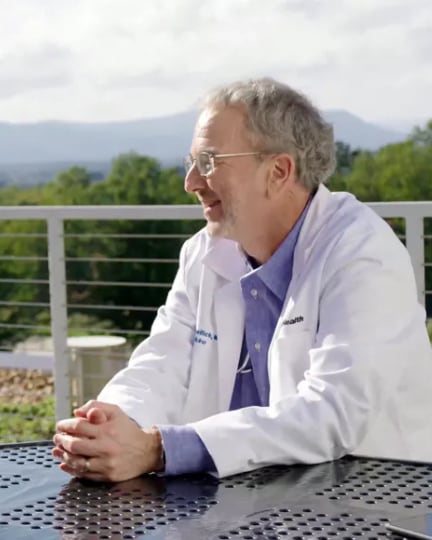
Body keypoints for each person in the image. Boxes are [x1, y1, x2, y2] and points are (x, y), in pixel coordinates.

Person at [52, 77, 432, 481]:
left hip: (366, 498)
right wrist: (109, 425)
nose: (191, 183)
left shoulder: (362, 253)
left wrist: (160, 449)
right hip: (243, 500)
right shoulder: (203, 254)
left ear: (278, 171)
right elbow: (161, 364)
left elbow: (333, 413)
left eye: (209, 162)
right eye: (191, 163)